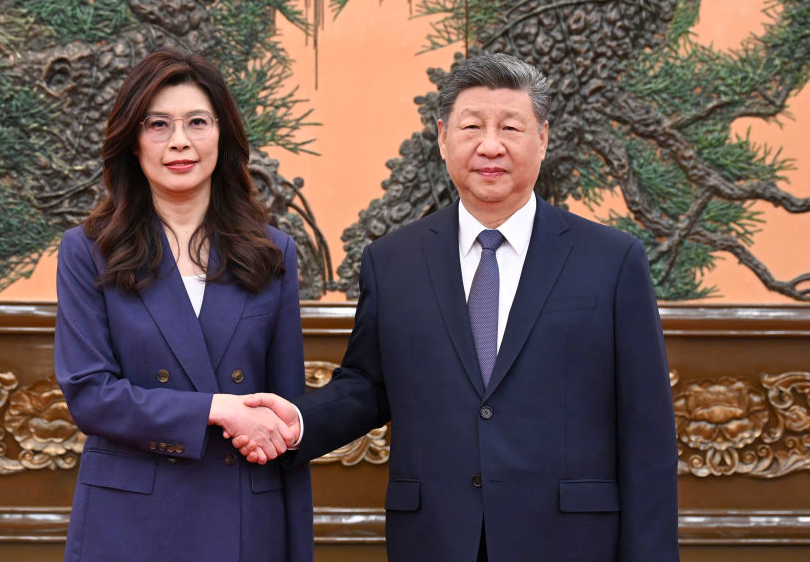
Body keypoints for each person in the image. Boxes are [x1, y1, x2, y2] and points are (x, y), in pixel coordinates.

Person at [237, 53, 680, 561]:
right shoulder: (392, 261)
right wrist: (296, 420)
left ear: (543, 138)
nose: (490, 145)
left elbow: (647, 431)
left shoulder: (613, 260)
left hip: (570, 542)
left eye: (511, 127)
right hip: (436, 538)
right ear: (444, 137)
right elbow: (367, 386)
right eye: (472, 126)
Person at [53, 48, 312, 562]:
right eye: (157, 124)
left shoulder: (272, 252)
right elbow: (90, 393)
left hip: (244, 518)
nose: (179, 141)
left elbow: (284, 412)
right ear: (132, 141)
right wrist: (218, 408)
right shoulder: (87, 250)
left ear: (223, 135)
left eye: (197, 121)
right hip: (130, 524)